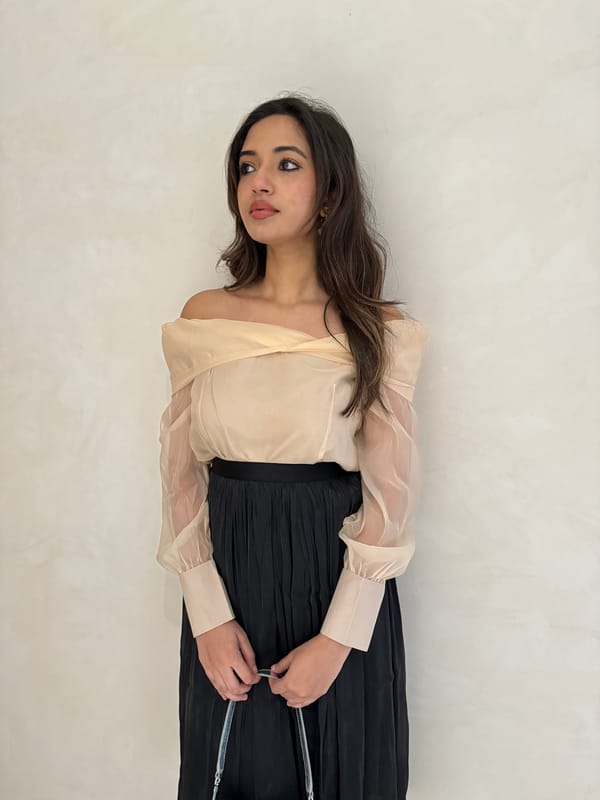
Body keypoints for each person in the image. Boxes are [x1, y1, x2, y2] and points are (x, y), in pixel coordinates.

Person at [156, 93, 429, 800]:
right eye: (247, 167)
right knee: (231, 771)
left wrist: (339, 638)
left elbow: (390, 498)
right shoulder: (205, 318)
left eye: (285, 164)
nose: (260, 183)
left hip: (333, 578)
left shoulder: (375, 329)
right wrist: (208, 616)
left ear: (330, 193)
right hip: (231, 576)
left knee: (339, 772)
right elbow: (181, 476)